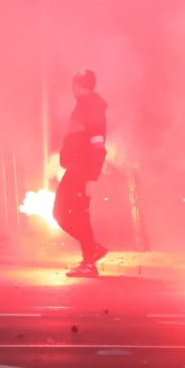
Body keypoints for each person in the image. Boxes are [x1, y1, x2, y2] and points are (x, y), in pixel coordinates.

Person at [54, 69, 109, 278]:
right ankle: (90, 255)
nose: (71, 87)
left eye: (74, 83)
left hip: (82, 171)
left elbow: (98, 144)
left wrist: (92, 177)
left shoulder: (91, 108)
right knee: (73, 215)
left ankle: (90, 258)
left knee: (64, 214)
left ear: (81, 85)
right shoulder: (86, 106)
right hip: (78, 169)